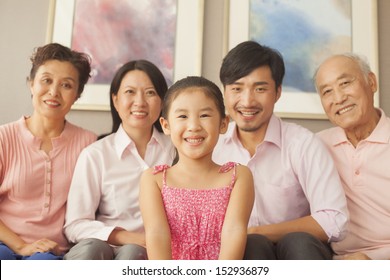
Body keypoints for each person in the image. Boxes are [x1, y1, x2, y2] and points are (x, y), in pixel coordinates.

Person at [212, 40, 349, 260]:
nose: (247, 101)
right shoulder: (212, 146)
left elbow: (335, 220)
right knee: (250, 244)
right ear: (225, 93)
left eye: (260, 89)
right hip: (241, 255)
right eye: (237, 89)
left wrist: (256, 232)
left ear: (277, 92)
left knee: (296, 241)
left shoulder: (302, 143)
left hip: (298, 254)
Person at [63, 60, 175, 260]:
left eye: (150, 92)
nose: (140, 102)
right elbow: (75, 225)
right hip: (101, 249)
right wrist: (123, 236)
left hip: (152, 253)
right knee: (93, 250)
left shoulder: (176, 149)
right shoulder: (95, 154)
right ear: (115, 100)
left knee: (133, 253)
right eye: (130, 92)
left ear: (162, 101)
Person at [139, 76, 254, 260]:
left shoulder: (239, 176)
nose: (193, 126)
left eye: (205, 115)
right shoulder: (154, 179)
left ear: (223, 123)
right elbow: (156, 234)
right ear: (166, 125)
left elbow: (234, 232)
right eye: (183, 116)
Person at [0, 43, 97, 260]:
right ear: (31, 84)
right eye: (46, 80)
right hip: (4, 242)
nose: (53, 92)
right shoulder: (3, 138)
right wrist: (21, 246)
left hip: (51, 251)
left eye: (66, 85)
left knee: (43, 264)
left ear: (77, 94)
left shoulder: (88, 143)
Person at [314, 53, 390, 260]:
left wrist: (374, 263)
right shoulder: (316, 146)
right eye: (327, 91)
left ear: (371, 82)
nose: (338, 98)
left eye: (345, 83)